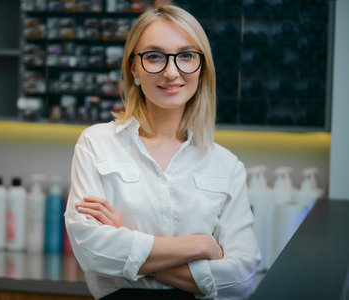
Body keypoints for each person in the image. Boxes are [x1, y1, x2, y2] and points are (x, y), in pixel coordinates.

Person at [64, 4, 261, 300]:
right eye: (154, 56)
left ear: (202, 67)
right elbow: (91, 251)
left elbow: (240, 279)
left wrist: (130, 244)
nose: (171, 72)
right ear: (134, 67)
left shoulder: (227, 166)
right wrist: (201, 246)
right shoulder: (96, 143)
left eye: (186, 56)